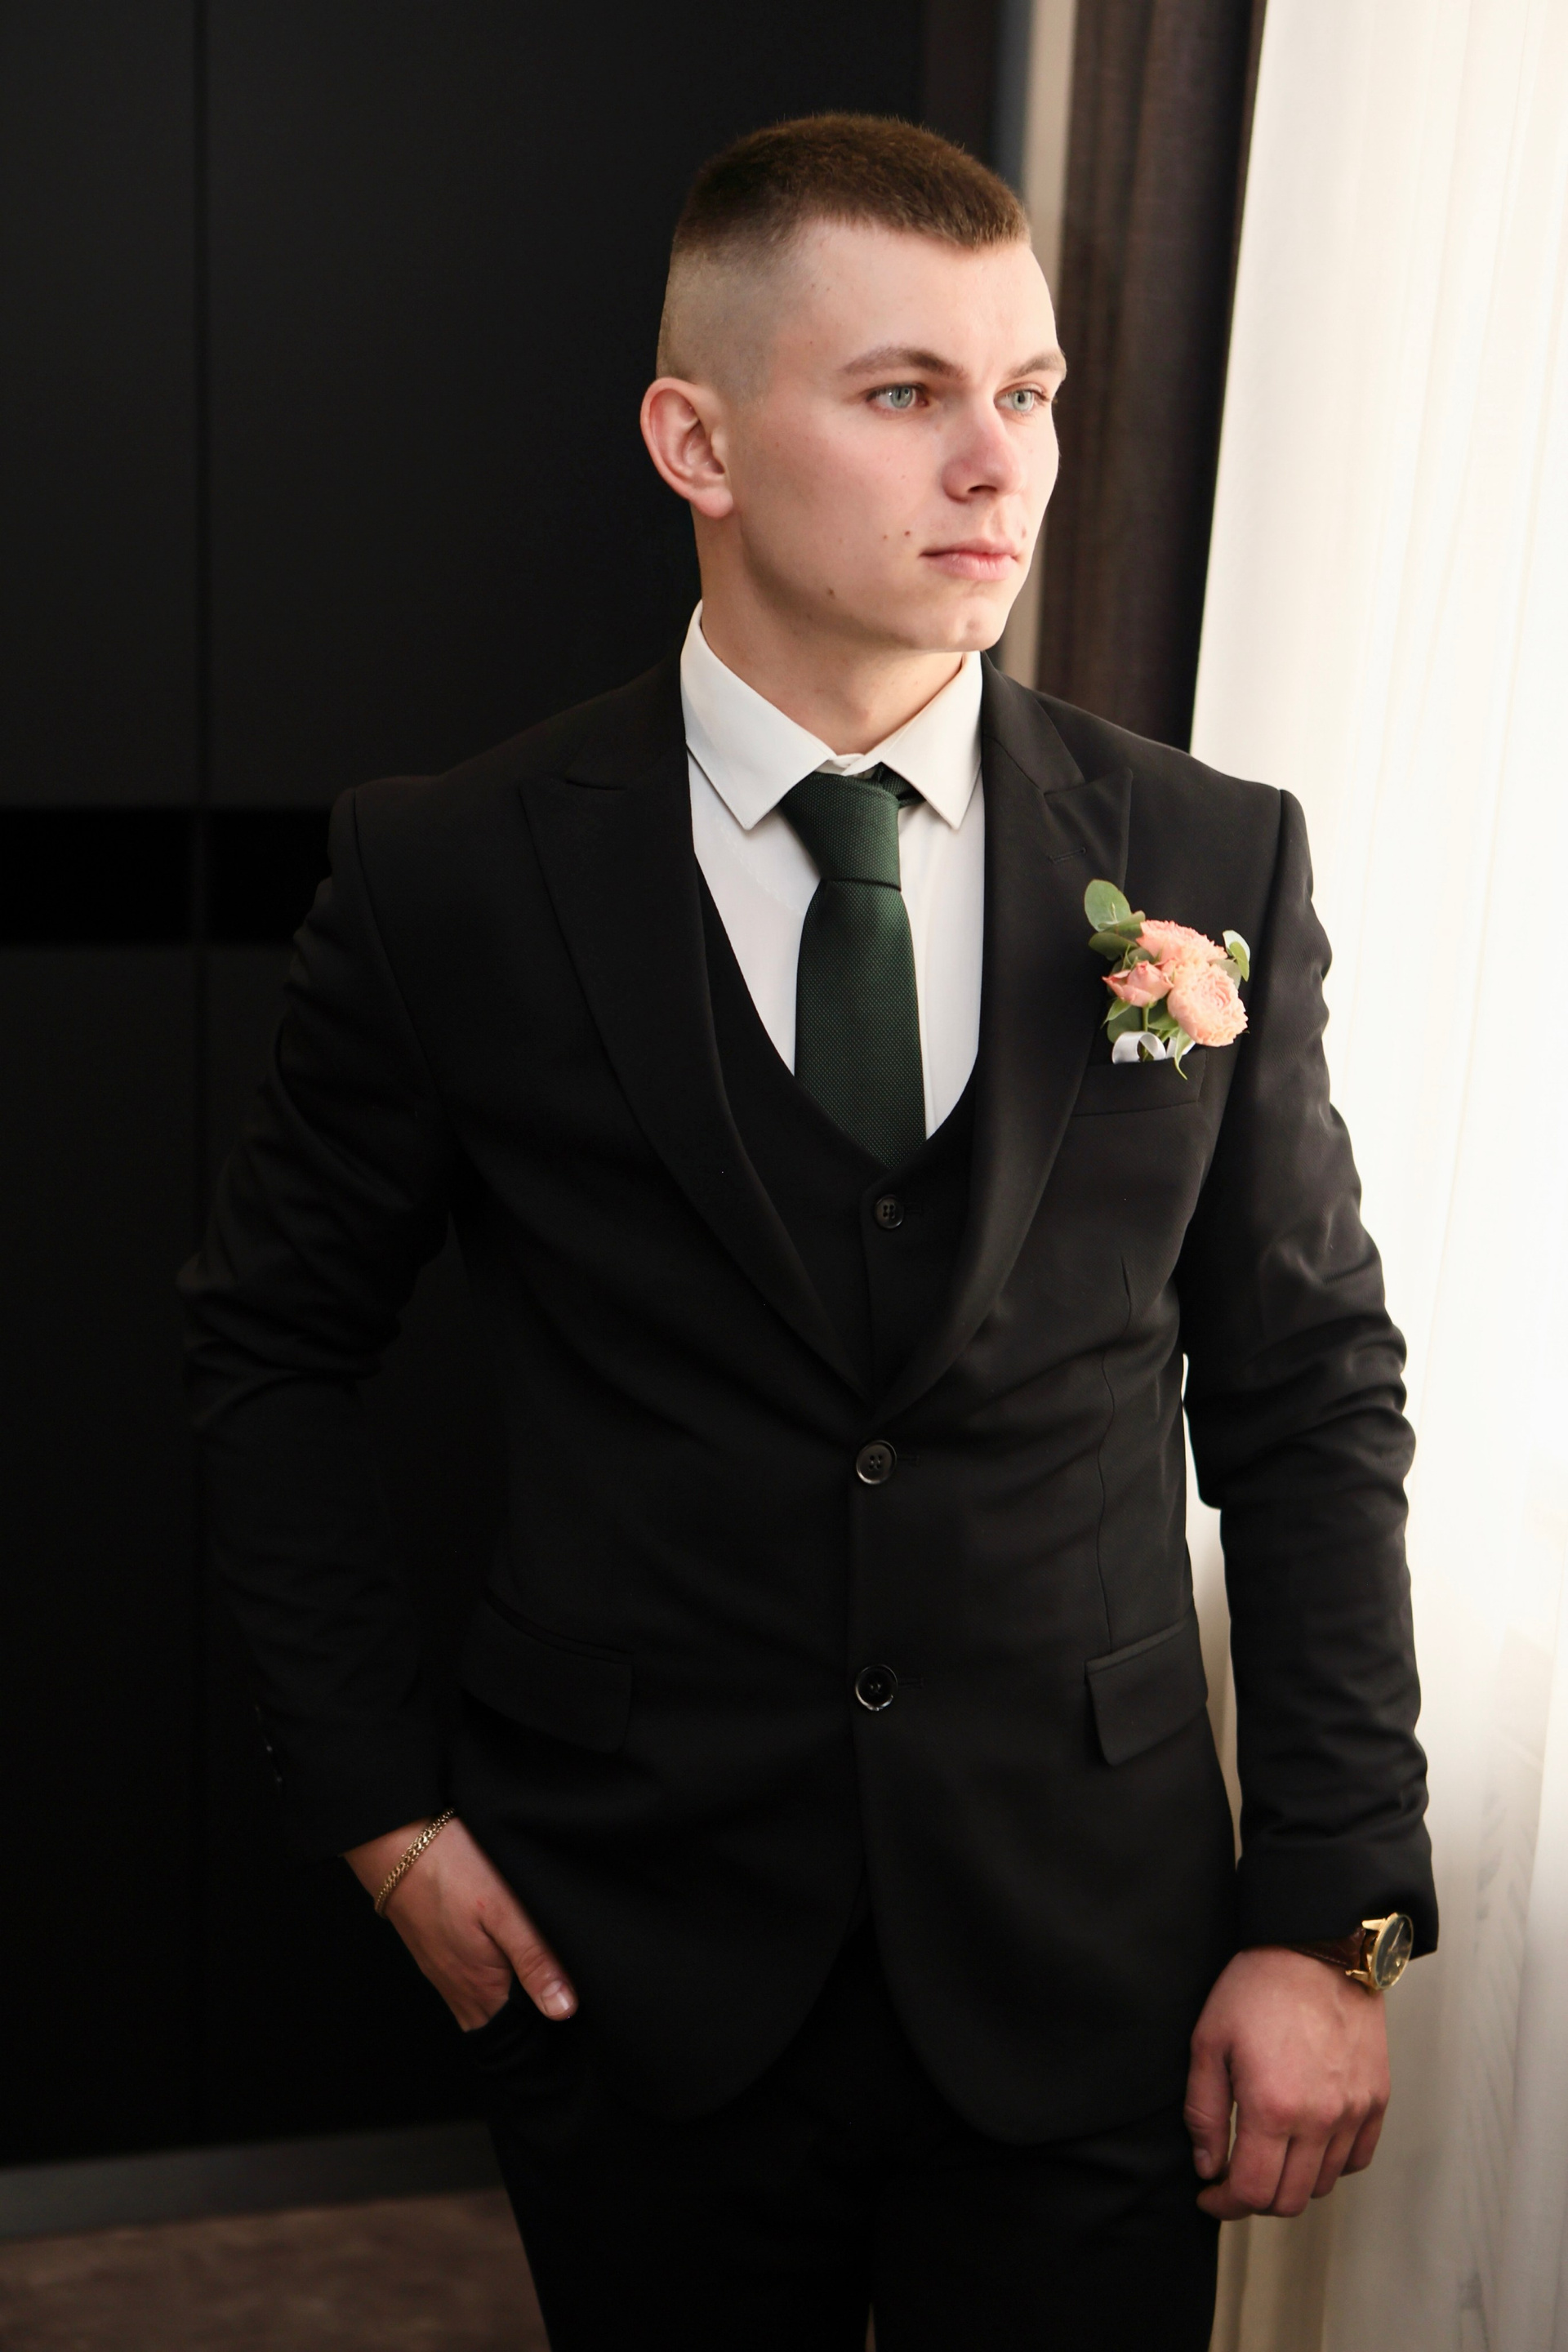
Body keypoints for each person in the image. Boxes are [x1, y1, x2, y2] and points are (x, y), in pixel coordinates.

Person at [180, 114, 1436, 2350]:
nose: (997, 462)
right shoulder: (453, 872)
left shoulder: (1207, 854)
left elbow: (1311, 1394)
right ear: (699, 442)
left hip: (1097, 1960)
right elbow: (269, 1351)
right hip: (622, 1949)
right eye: (903, 392)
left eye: (1027, 392)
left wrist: (1327, 1914)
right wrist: (377, 1814)